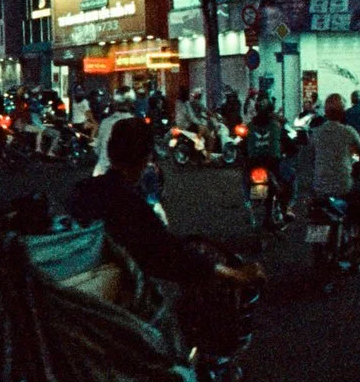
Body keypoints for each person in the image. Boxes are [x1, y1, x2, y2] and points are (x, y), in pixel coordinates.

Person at [67, 120, 260, 295]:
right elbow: (166, 253)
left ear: (109, 152)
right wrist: (232, 274)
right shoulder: (129, 205)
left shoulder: (82, 190)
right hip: (112, 309)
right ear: (145, 158)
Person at [301, 93, 360, 230]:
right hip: (343, 186)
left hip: (319, 187)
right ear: (343, 112)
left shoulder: (316, 133)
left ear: (325, 112)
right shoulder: (348, 132)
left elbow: (311, 157)